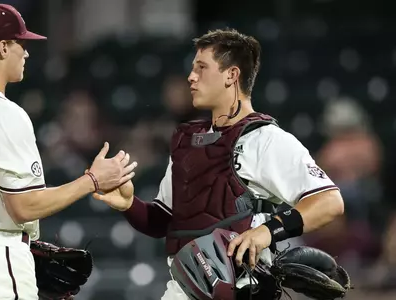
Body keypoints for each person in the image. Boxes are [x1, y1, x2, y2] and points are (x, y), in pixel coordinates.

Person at [93, 28, 345, 299]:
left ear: (232, 75)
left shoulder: (266, 139)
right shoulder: (188, 142)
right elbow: (164, 222)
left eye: (202, 68)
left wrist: (266, 232)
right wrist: (130, 205)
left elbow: (329, 202)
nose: (191, 77)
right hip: (183, 287)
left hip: (242, 287)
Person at [0, 3, 137, 299]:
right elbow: (25, 207)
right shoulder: (5, 114)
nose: (25, 52)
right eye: (20, 44)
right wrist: (92, 180)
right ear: (1, 48)